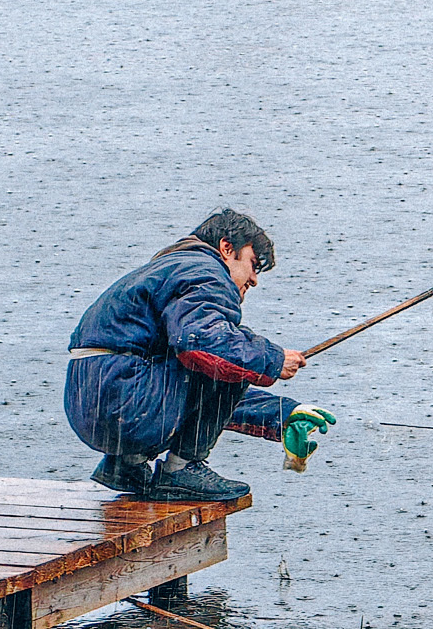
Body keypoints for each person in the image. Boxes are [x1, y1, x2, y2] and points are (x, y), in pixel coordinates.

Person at [65, 209, 335, 502]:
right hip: (128, 409)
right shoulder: (206, 272)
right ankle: (181, 469)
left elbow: (188, 385)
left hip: (93, 408)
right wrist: (272, 359)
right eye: (253, 264)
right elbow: (206, 347)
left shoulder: (169, 269)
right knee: (233, 350)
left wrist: (282, 415)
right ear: (226, 248)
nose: (254, 279)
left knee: (229, 353)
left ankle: (126, 465)